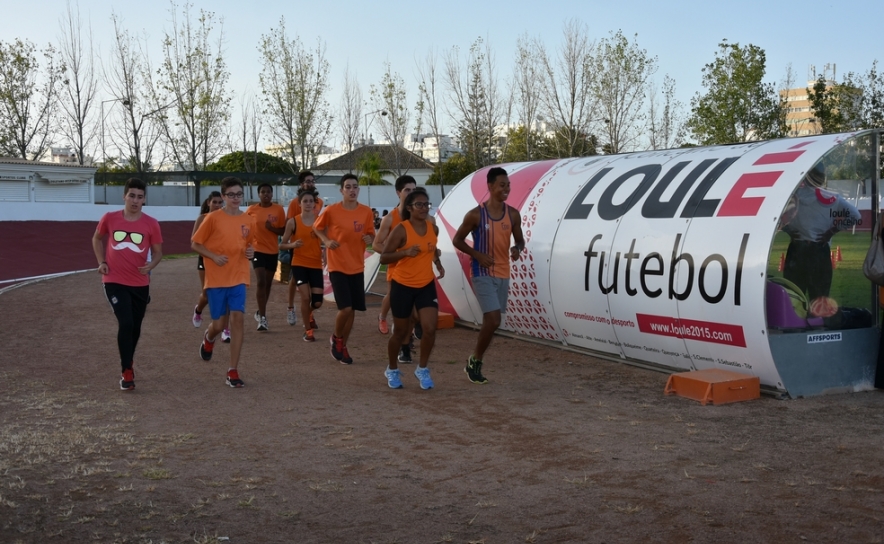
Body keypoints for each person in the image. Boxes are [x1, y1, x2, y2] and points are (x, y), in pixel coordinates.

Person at [452, 166, 525, 384]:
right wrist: (477, 254)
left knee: (492, 321)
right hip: (481, 271)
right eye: (502, 185)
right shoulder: (475, 214)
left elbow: (520, 240)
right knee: (494, 319)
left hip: (503, 272)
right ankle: (476, 361)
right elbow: (457, 240)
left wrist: (517, 249)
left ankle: (474, 361)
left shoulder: (513, 214)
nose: (506, 189)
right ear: (490, 186)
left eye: (508, 185)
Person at [91, 178, 163, 391]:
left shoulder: (151, 223)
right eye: (131, 195)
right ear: (124, 196)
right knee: (127, 323)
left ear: (144, 200)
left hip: (140, 282)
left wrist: (151, 265)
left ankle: (128, 361)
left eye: (140, 197)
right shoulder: (110, 218)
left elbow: (158, 252)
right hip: (114, 280)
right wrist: (101, 262)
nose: (135, 200)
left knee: (136, 327)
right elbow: (97, 239)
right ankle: (126, 371)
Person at [191, 177, 257, 388]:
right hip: (217, 278)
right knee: (219, 325)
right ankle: (209, 337)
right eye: (231, 195)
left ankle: (233, 370)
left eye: (239, 194)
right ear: (223, 196)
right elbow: (195, 244)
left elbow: (250, 244)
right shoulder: (212, 219)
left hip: (239, 276)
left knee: (237, 319)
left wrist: (251, 251)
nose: (235, 198)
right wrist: (212, 256)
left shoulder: (249, 219)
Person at [380, 188, 445, 389]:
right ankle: (391, 369)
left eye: (426, 204)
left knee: (430, 328)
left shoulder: (433, 228)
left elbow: (431, 248)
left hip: (425, 284)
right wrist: (405, 252)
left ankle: (422, 369)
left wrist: (438, 263)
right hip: (402, 285)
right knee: (400, 332)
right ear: (409, 208)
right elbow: (384, 257)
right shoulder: (401, 229)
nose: (424, 208)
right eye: (419, 204)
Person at [313, 173, 376, 364]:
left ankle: (343, 346)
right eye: (348, 187)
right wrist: (326, 241)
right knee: (345, 307)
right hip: (337, 265)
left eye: (355, 186)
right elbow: (317, 228)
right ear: (341, 190)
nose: (352, 190)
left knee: (353, 310)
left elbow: (371, 234)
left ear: (359, 189)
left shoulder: (365, 212)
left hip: (357, 266)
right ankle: (336, 337)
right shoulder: (332, 210)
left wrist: (369, 239)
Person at [782, 162, 861, 305]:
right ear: (823, 177)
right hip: (819, 250)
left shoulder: (793, 197)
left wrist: (788, 230)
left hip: (796, 250)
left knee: (793, 298)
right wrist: (831, 231)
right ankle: (817, 325)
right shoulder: (833, 198)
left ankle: (793, 326)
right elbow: (855, 215)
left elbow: (775, 216)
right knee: (819, 299)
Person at [280, 188, 324, 342]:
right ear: (299, 204)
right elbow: (282, 245)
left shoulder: (320, 220)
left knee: (317, 302)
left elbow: (327, 239)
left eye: (311, 201)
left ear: (315, 204)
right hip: (299, 263)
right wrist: (293, 245)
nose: (308, 204)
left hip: (316, 264)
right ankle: (308, 331)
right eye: (305, 201)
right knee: (305, 297)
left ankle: (308, 313)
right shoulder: (293, 222)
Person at [374, 176, 416, 336]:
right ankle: (383, 317)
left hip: (415, 266)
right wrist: (396, 254)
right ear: (398, 193)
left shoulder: (419, 214)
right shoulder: (390, 218)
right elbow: (377, 244)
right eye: (407, 190)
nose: (411, 193)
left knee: (413, 299)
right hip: (396, 265)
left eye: (414, 189)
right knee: (393, 295)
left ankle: (408, 331)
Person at [246, 183, 286, 331]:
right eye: (263, 192)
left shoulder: (278, 209)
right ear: (259, 194)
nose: (266, 194)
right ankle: (263, 319)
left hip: (272, 251)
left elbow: (283, 230)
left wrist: (272, 228)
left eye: (268, 192)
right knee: (261, 281)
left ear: (272, 194)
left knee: (268, 283)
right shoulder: (251, 210)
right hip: (257, 250)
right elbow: (246, 228)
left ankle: (260, 311)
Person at [286, 171, 324, 325]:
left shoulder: (319, 202)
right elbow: (291, 222)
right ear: (301, 184)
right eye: (307, 181)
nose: (310, 183)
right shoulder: (295, 203)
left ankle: (309, 314)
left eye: (312, 181)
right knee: (294, 278)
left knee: (309, 288)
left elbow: (320, 224)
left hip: (313, 247)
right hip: (298, 245)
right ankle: (290, 307)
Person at [192, 191, 223, 328]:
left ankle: (223, 327)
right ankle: (198, 310)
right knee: (207, 293)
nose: (217, 205)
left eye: (220, 202)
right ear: (208, 203)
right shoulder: (202, 219)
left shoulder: (226, 218)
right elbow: (194, 242)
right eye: (214, 202)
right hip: (205, 259)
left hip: (222, 261)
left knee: (224, 293)